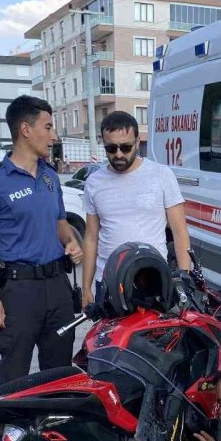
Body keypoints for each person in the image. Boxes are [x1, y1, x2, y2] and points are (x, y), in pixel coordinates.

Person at [0, 95, 84, 441]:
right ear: (26, 129)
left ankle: (56, 440)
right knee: (15, 375)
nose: (52, 135)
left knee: (57, 371)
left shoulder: (51, 176)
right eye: (48, 127)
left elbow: (59, 223)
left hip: (56, 286)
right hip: (16, 292)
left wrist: (71, 240)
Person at [81, 111, 192, 308]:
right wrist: (86, 287)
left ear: (138, 141)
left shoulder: (161, 175)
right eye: (111, 148)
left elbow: (179, 231)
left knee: (154, 339)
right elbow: (91, 238)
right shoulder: (94, 182)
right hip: (108, 282)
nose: (119, 154)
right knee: (111, 339)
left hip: (152, 279)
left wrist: (183, 279)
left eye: (125, 147)